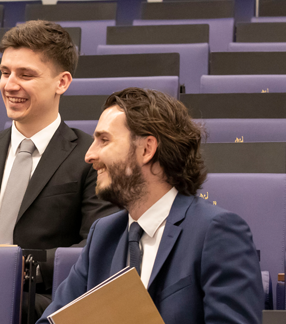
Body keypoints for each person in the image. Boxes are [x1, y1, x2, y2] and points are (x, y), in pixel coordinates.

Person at [0, 20, 119, 317]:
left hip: (44, 300)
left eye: (25, 74)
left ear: (62, 82)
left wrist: (14, 268)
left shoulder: (91, 157)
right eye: (5, 73)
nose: (10, 85)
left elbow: (93, 248)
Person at [41, 88, 264, 324]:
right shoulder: (103, 235)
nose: (89, 155)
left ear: (147, 149)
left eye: (104, 140)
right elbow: (52, 321)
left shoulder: (216, 232)